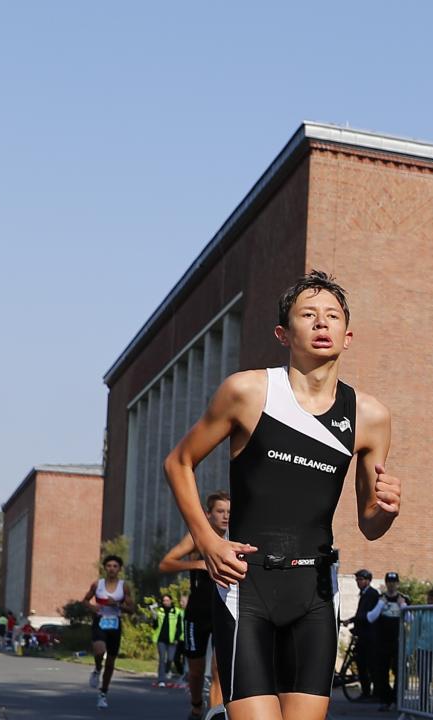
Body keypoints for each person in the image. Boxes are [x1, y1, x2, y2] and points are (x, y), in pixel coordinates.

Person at [163, 270, 405, 720]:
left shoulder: (370, 416)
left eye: (332, 316)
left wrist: (386, 511)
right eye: (308, 315)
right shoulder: (248, 391)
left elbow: (369, 525)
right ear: (282, 332)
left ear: (347, 336)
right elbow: (178, 462)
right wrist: (209, 541)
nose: (321, 323)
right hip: (245, 585)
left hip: (314, 595)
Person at [159, 490, 233, 719]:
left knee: (219, 672)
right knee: (196, 671)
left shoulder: (236, 537)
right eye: (220, 511)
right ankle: (196, 705)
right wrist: (200, 564)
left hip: (226, 610)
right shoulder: (198, 538)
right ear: (208, 514)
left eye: (229, 512)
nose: (225, 516)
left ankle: (215, 714)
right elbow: (166, 564)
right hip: (197, 613)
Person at [80, 554, 133, 708]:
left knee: (110, 662)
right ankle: (97, 669)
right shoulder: (97, 585)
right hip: (100, 621)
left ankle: (103, 693)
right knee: (99, 651)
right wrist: (92, 607)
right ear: (105, 568)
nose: (112, 569)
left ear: (119, 569)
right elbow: (85, 600)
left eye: (115, 566)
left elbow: (131, 609)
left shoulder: (124, 586)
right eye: (109, 566)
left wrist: (117, 604)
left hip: (115, 623)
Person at [348, 569, 388, 708]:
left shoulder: (371, 594)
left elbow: (367, 616)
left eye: (361, 579)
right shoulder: (364, 594)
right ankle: (366, 692)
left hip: (370, 638)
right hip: (363, 636)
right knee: (362, 664)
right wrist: (351, 620)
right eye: (357, 579)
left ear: (368, 580)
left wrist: (355, 620)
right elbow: (361, 614)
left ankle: (373, 693)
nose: (358, 582)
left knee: (370, 665)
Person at [371, 572, 406, 708]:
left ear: (398, 583)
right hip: (382, 641)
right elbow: (371, 617)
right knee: (382, 671)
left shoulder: (403, 599)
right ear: (386, 583)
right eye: (389, 582)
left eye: (394, 582)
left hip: (398, 640)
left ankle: (396, 698)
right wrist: (381, 604)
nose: (392, 584)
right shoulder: (380, 598)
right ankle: (386, 699)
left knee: (398, 670)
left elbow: (410, 619)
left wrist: (402, 606)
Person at [148, 594, 186, 688]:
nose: (166, 602)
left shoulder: (176, 612)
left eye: (167, 600)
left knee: (170, 658)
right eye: (164, 600)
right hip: (161, 639)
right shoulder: (159, 611)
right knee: (162, 659)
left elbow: (179, 627)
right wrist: (153, 612)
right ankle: (161, 679)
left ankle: (167, 671)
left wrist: (177, 638)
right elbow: (155, 623)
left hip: (172, 640)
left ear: (171, 601)